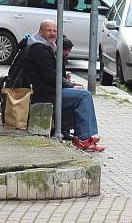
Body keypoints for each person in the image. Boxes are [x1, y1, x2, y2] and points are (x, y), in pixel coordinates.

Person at [21, 20, 104, 152]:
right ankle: (84, 138)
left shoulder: (45, 45)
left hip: (49, 90)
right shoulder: (39, 49)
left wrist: (68, 83)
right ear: (41, 32)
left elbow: (52, 75)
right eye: (49, 30)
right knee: (84, 95)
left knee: (80, 93)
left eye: (54, 31)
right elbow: (50, 77)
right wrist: (69, 85)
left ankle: (82, 136)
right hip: (44, 93)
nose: (52, 33)